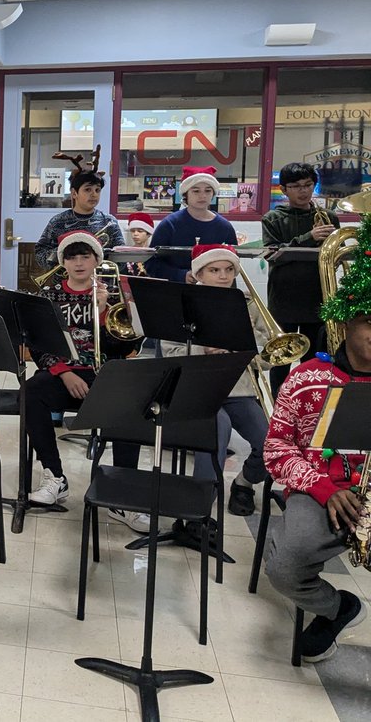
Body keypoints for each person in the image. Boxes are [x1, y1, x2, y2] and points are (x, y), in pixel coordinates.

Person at [263, 311, 371, 662]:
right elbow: (276, 448)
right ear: (346, 323)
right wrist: (323, 487)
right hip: (319, 490)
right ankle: (338, 607)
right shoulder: (307, 378)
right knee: (284, 568)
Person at [24, 232, 148, 531]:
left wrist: (104, 311)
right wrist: (64, 372)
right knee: (30, 392)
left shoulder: (114, 293)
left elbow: (127, 348)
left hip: (105, 374)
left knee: (131, 402)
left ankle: (120, 495)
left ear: (97, 260)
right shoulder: (49, 294)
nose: (78, 263)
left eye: (85, 256)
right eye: (72, 257)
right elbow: (39, 345)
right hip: (65, 373)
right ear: (63, 261)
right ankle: (55, 476)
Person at [159, 245, 269, 516]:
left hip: (238, 387)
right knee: (217, 430)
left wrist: (240, 348)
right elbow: (169, 352)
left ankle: (244, 483)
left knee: (270, 442)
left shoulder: (248, 304)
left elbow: (269, 354)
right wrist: (202, 350)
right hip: (196, 388)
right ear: (199, 273)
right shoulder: (183, 304)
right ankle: (200, 507)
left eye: (229, 269)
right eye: (214, 270)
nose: (223, 276)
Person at [262, 162, 339, 398]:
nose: (303, 191)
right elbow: (272, 254)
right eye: (295, 186)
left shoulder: (328, 217)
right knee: (281, 363)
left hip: (316, 299)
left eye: (308, 185)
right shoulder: (273, 218)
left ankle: (310, 406)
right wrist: (309, 237)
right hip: (283, 301)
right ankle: (279, 410)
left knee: (314, 362)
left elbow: (335, 253)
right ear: (284, 190)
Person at [145, 166, 237, 283]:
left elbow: (233, 264)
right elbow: (151, 263)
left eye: (207, 191)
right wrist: (181, 275)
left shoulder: (224, 227)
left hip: (214, 293)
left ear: (213, 194)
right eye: (196, 191)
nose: (202, 195)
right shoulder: (170, 224)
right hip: (176, 293)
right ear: (186, 194)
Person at [34, 168, 124, 271]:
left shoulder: (109, 222)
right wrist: (65, 251)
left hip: (99, 282)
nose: (94, 194)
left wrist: (98, 253)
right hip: (64, 282)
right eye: (87, 189)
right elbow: (40, 253)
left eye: (97, 190)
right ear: (74, 193)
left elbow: (121, 259)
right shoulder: (58, 221)